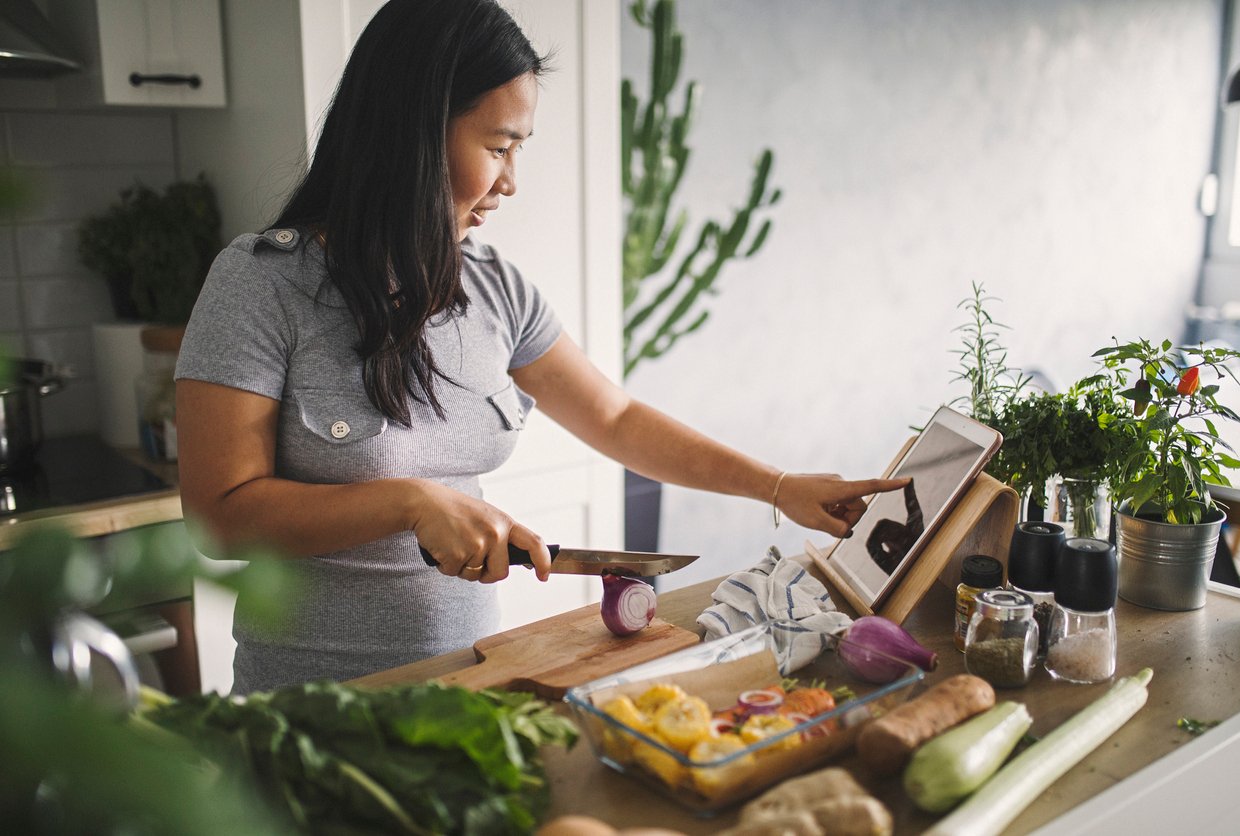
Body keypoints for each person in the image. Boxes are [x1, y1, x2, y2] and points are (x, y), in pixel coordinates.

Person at [175, 0, 908, 693]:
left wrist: (779, 488)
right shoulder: (260, 283)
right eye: (499, 146)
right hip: (310, 709)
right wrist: (406, 501)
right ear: (413, 133)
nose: (511, 182)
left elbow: (616, 420)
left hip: (469, 687)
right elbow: (219, 515)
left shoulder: (497, 289)